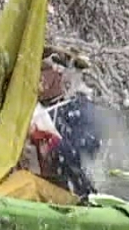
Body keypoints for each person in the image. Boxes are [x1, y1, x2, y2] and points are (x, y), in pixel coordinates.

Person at [25, 45, 101, 198]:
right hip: (29, 181)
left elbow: (89, 145)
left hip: (63, 187)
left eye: (44, 74)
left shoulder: (76, 108)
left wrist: (52, 143)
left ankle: (85, 198)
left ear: (59, 75)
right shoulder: (28, 109)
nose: (38, 83)